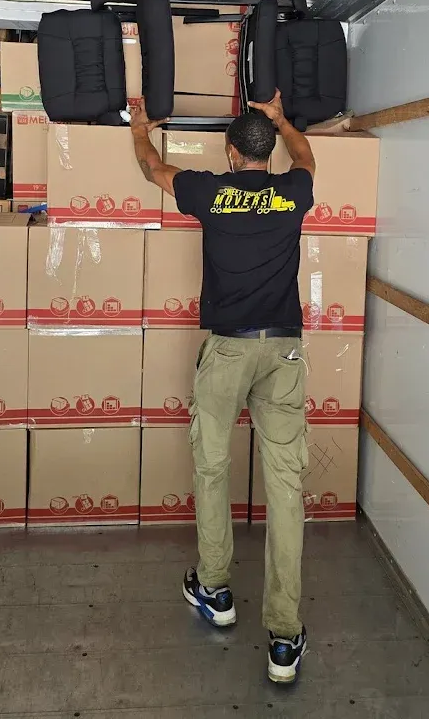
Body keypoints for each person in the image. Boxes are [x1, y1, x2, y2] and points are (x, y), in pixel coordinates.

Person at [130, 89, 315, 684]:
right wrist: (283, 121)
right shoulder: (294, 190)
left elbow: (153, 169)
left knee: (212, 466)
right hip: (283, 350)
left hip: (229, 349)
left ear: (232, 153)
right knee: (285, 487)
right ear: (267, 153)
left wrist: (139, 128)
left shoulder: (210, 192)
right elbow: (307, 157)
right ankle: (283, 637)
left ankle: (215, 589)